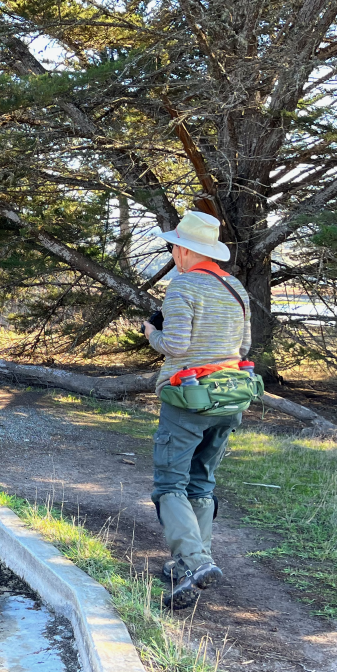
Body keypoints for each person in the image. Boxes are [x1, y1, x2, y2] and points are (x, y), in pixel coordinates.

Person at [142, 209, 252, 609]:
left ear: (184, 249)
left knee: (169, 484)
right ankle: (187, 568)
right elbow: (243, 349)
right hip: (231, 398)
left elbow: (177, 347)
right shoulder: (236, 287)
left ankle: (195, 561)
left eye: (174, 247)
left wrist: (153, 333)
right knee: (201, 483)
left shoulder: (183, 286)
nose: (172, 253)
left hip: (189, 398)